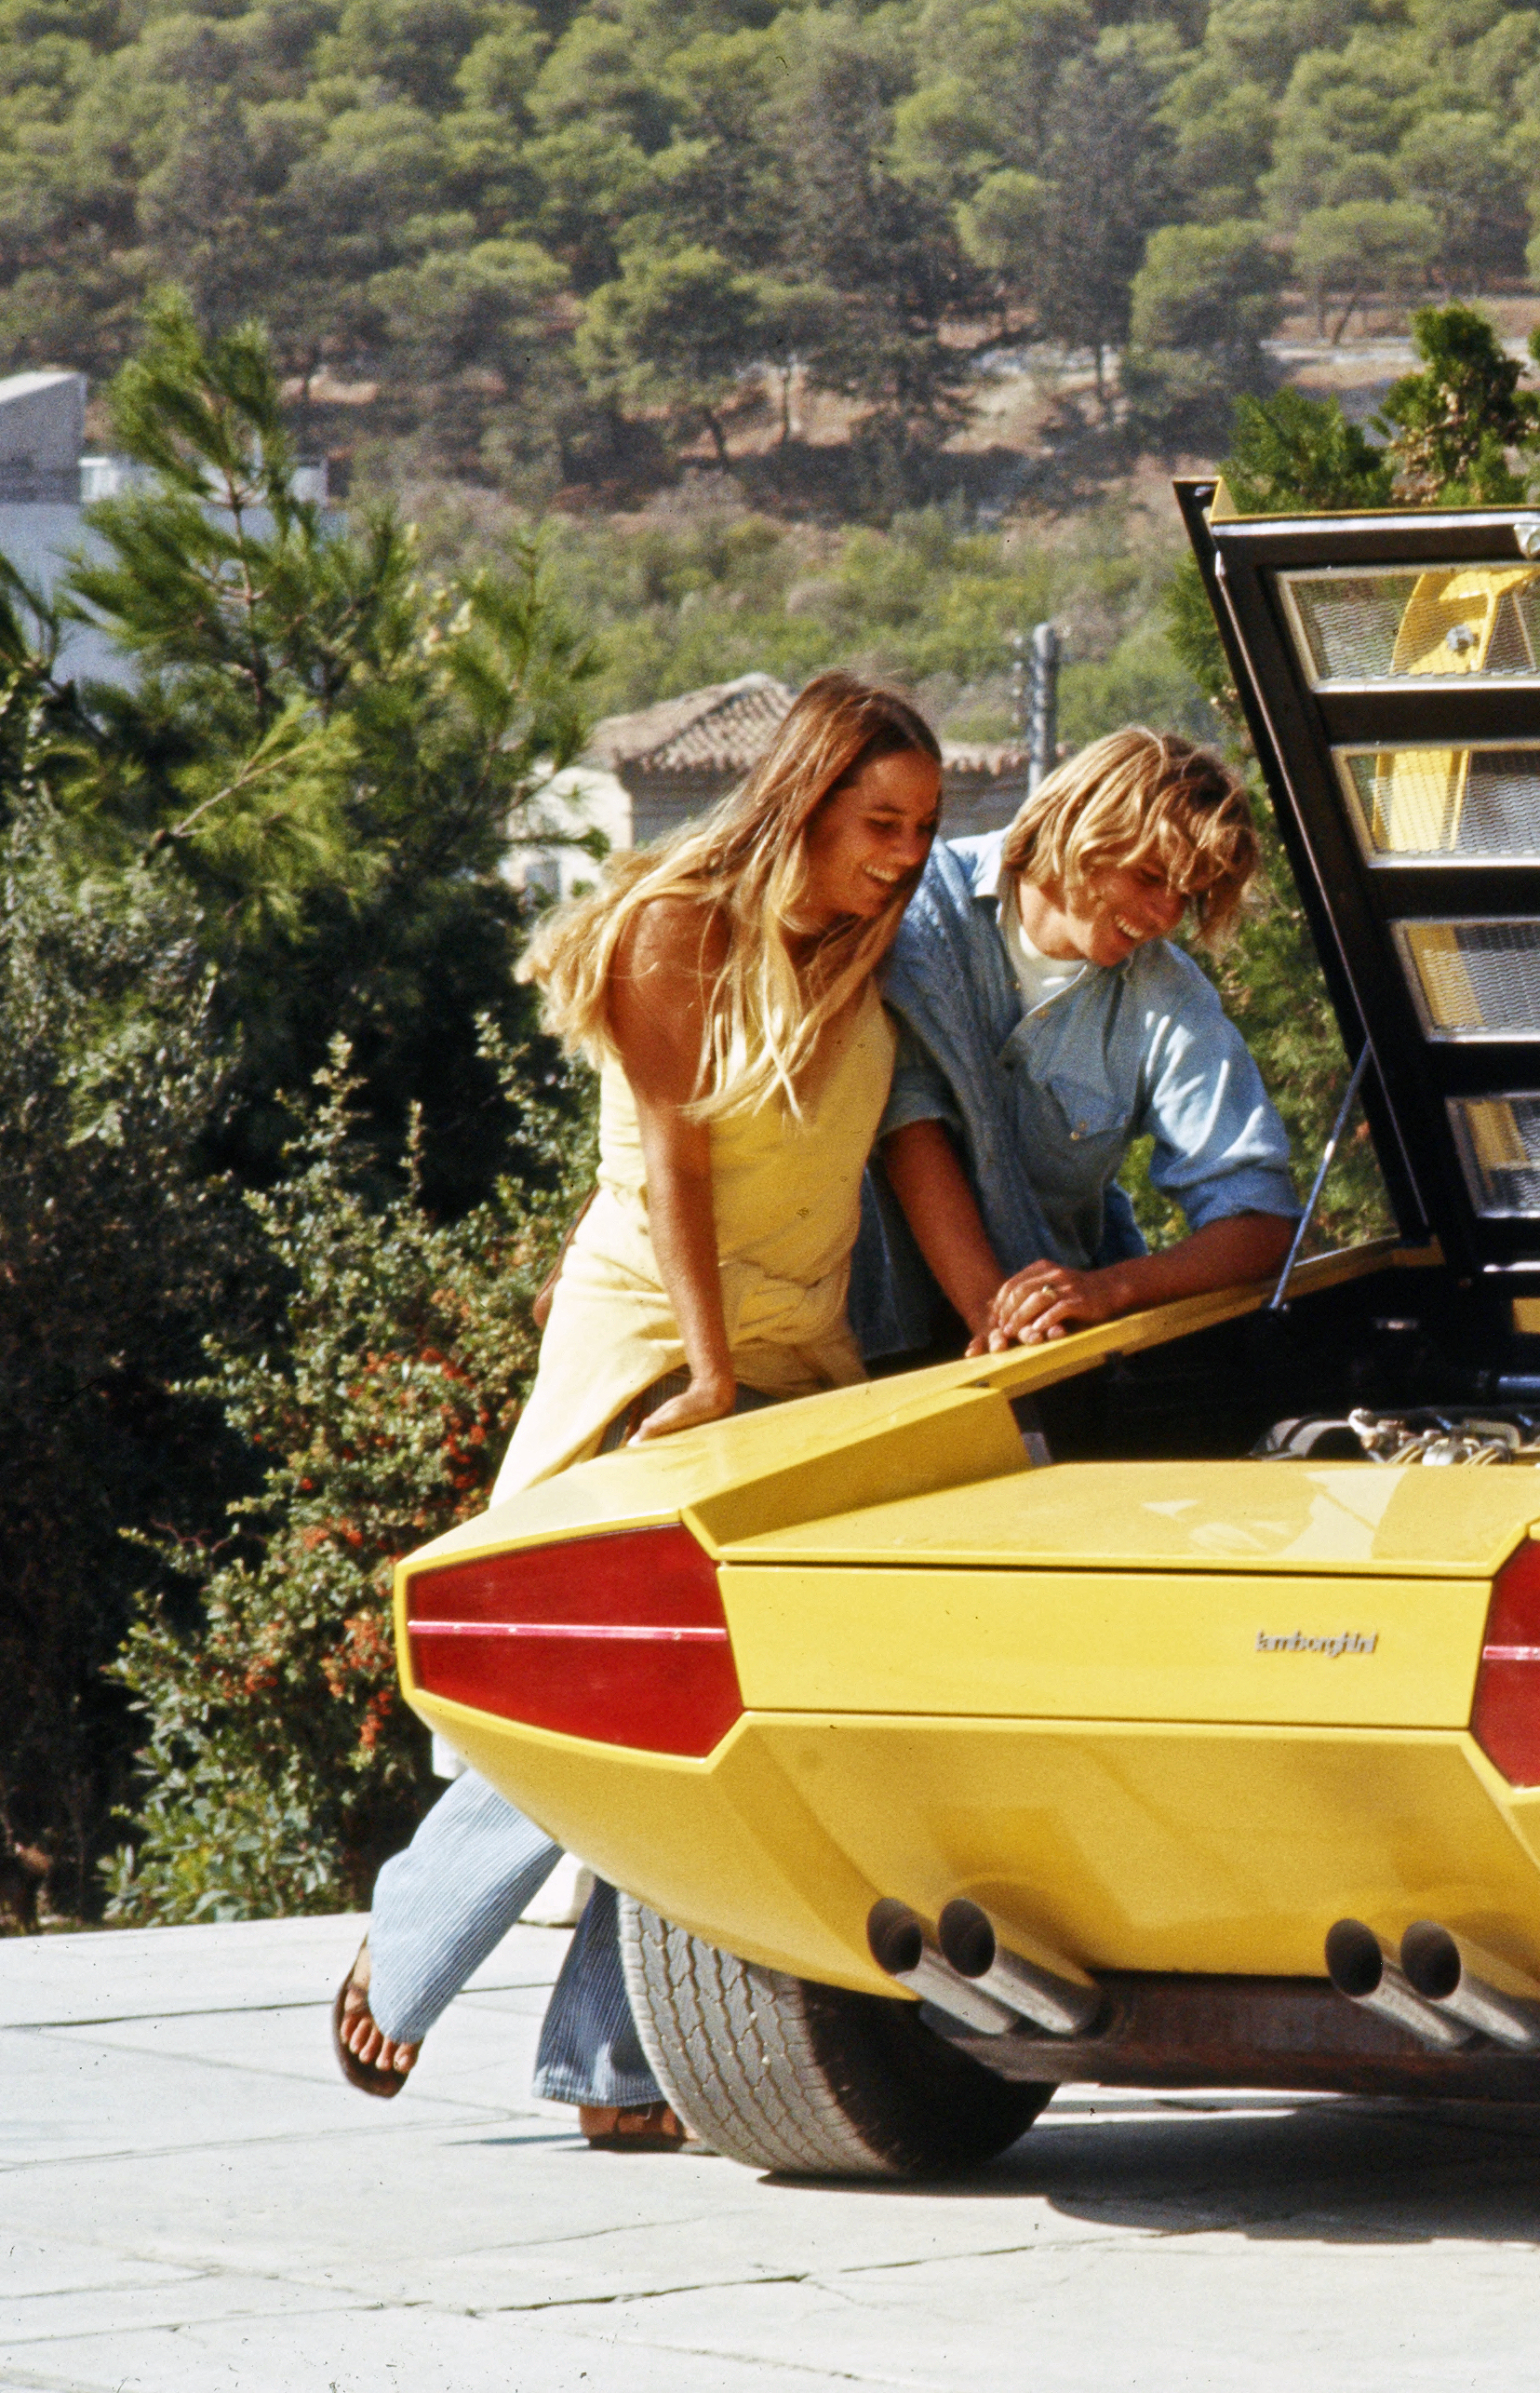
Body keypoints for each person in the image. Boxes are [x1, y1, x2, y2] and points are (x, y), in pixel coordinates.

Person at [330, 671, 944, 2147]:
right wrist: (709, 1374)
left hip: (799, 1343)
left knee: (708, 1704)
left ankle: (613, 2058)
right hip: (659, 1337)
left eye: (924, 828)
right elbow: (674, 1160)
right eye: (879, 820)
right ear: (803, 796)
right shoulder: (678, 924)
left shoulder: (874, 944)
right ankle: (408, 1940)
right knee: (592, 1672)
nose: (905, 853)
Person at [851, 726, 1300, 1365]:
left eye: (1189, 894)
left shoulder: (1166, 995)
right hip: (872, 1347)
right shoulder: (923, 913)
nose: (1165, 914)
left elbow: (1259, 1218)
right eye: (1149, 875)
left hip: (1052, 1354)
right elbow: (907, 1125)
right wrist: (994, 1319)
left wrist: (1108, 1287)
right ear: (1082, 825)